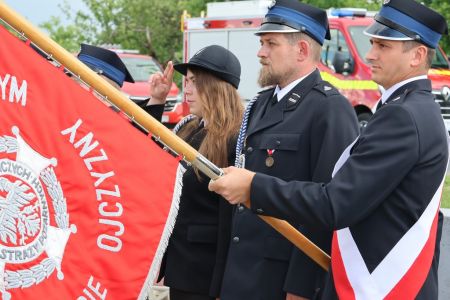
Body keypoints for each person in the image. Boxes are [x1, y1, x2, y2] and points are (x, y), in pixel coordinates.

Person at [209, 0, 448, 299]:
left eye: (382, 46)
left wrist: (253, 186)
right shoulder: (406, 109)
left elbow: (335, 203)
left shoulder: (403, 115)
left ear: (418, 55)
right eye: (372, 43)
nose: (370, 54)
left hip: (381, 281)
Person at [213, 1, 359, 299]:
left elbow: (326, 209)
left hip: (279, 281)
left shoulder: (329, 110)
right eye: (262, 43)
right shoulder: (260, 104)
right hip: (241, 274)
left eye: (270, 44)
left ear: (302, 50)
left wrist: (301, 289)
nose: (260, 52)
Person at [151, 45, 244, 300]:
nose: (187, 89)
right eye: (186, 81)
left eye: (195, 82)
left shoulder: (235, 137)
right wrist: (156, 102)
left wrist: (220, 286)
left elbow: (231, 217)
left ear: (216, 87)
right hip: (182, 265)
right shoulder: (188, 128)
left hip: (206, 271)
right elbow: (149, 158)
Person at [76, 43, 167, 121]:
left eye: (79, 78)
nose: (71, 83)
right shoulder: (69, 107)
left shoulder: (118, 123)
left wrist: (157, 99)